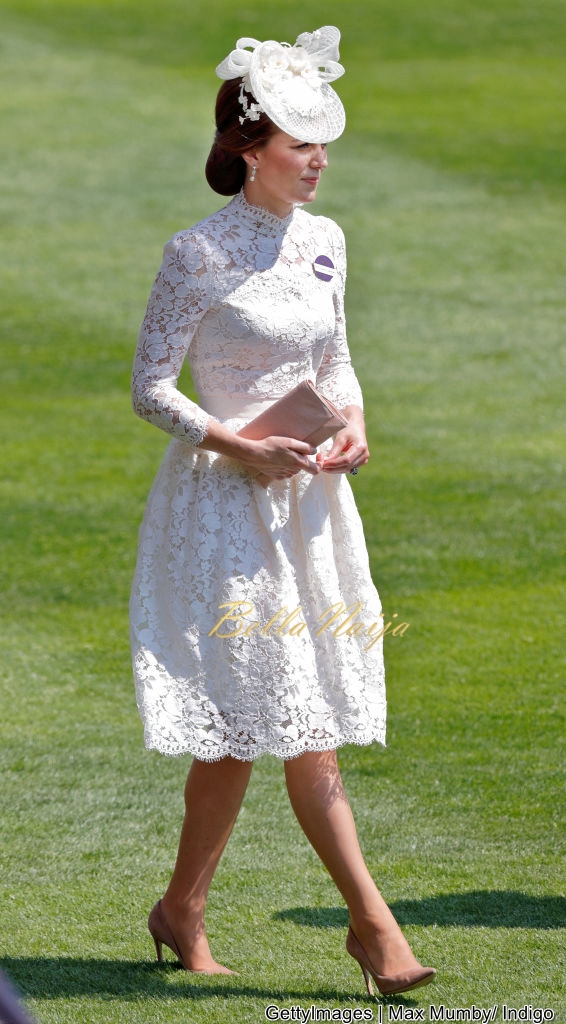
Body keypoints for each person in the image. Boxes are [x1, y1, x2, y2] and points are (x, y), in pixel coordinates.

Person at [130, 26, 436, 997]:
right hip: (223, 510)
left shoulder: (325, 241)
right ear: (248, 148)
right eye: (301, 141)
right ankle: (374, 926)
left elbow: (333, 355)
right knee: (284, 723)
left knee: (245, 732)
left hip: (310, 506)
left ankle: (182, 907)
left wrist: (352, 421)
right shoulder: (198, 252)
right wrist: (239, 444)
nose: (319, 158)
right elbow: (149, 388)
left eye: (323, 139)